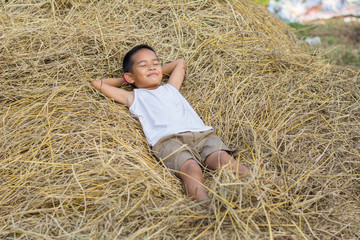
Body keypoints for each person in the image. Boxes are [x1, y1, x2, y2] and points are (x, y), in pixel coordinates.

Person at [91, 44, 250, 211]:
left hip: (202, 135)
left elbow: (179, 63)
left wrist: (152, 72)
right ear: (130, 77)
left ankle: (260, 184)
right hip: (170, 142)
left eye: (155, 63)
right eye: (143, 65)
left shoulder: (171, 88)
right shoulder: (134, 97)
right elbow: (98, 84)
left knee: (223, 160)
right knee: (191, 169)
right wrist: (127, 80)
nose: (152, 66)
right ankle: (206, 208)